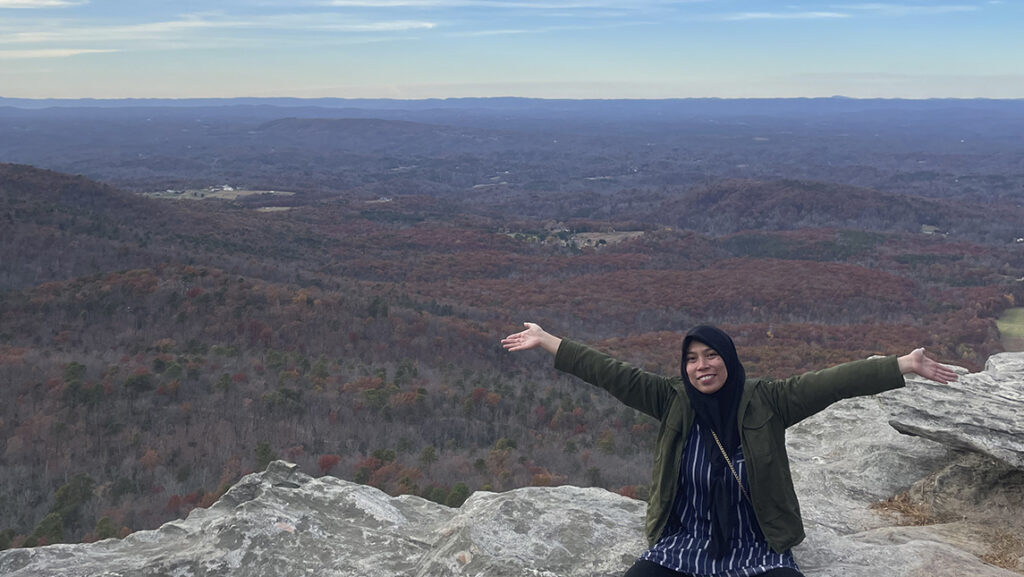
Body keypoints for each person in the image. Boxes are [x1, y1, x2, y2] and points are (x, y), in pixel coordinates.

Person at [501, 322, 958, 577]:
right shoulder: (671, 399)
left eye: (711, 355)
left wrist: (902, 364)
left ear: (729, 358)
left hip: (757, 548)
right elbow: (609, 372)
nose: (702, 366)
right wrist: (548, 340)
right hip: (685, 543)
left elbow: (833, 383)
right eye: (692, 358)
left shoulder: (768, 400)